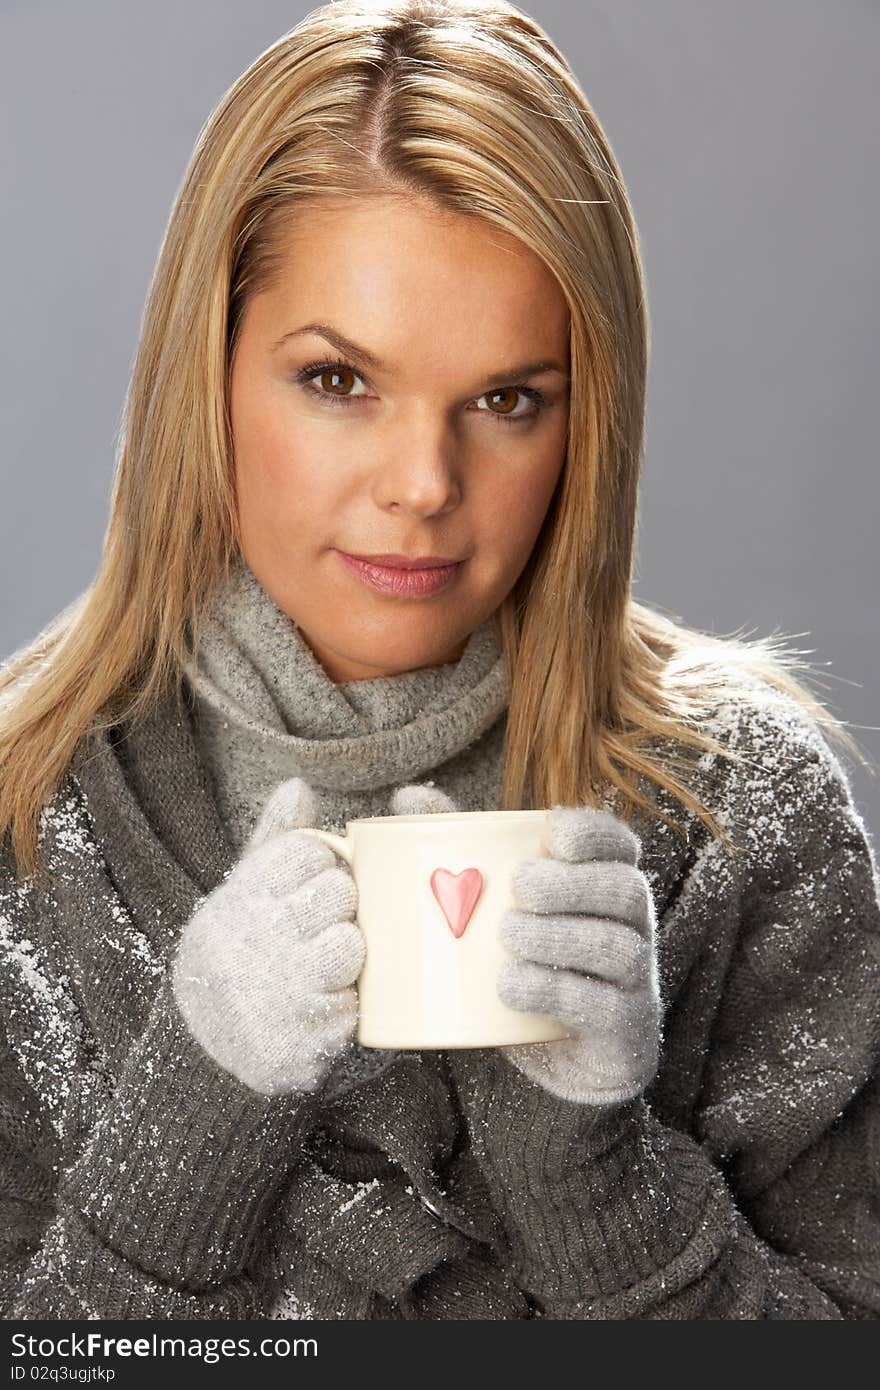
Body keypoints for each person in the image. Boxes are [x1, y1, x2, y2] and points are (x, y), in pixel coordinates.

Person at [1, 0, 878, 1321]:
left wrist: (603, 1175)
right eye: (340, 380)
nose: (424, 484)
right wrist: (189, 1117)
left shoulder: (743, 813)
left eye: (508, 399)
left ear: (588, 421)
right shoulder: (28, 820)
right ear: (211, 367)